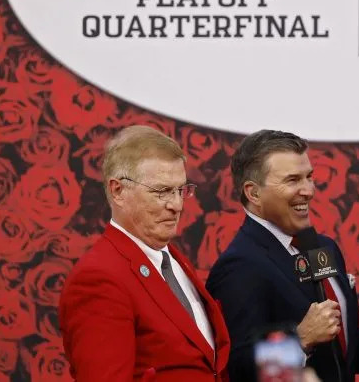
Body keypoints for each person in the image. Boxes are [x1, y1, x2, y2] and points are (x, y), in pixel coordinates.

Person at [206, 130, 359, 382]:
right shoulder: (239, 267)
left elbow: (337, 346)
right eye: (292, 180)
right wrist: (300, 340)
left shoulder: (320, 246)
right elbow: (235, 368)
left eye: (309, 177)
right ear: (253, 193)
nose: (308, 191)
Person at [59, 125, 231, 381]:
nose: (176, 205)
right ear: (118, 191)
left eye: (181, 190)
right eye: (161, 191)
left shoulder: (172, 259)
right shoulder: (98, 278)